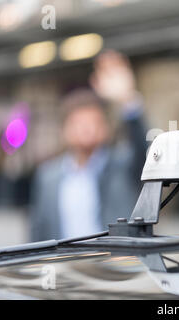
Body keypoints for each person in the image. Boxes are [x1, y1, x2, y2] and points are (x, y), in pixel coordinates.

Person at [30, 51, 148, 241]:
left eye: (93, 123)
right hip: (63, 267)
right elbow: (38, 229)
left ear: (106, 128)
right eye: (78, 123)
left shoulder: (122, 166)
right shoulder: (47, 176)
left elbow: (146, 154)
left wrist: (128, 100)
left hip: (115, 266)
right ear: (64, 130)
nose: (86, 130)